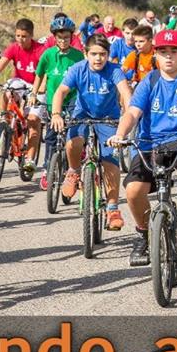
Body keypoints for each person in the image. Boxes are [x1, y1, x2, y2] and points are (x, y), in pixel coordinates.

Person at [107, 30, 177, 267]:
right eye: (163, 51)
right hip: (151, 144)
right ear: (155, 54)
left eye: (173, 51)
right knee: (133, 191)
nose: (168, 56)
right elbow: (133, 113)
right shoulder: (149, 81)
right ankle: (144, 233)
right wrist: (120, 134)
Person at [51, 34, 132, 228]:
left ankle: (112, 208)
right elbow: (61, 91)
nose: (98, 58)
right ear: (86, 54)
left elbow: (126, 93)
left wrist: (129, 115)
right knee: (73, 141)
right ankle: (73, 171)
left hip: (108, 119)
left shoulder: (114, 70)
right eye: (94, 54)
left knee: (110, 161)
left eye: (103, 54)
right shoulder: (78, 69)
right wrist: (56, 114)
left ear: (108, 55)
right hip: (82, 114)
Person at [0, 18, 47, 174]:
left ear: (31, 35)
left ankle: (30, 159)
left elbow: (46, 73)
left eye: (24, 36)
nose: (20, 39)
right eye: (18, 35)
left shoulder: (40, 50)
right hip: (19, 82)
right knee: (6, 91)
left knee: (33, 120)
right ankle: (5, 120)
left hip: (36, 85)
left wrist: (40, 90)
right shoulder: (13, 48)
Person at [31, 16, 83, 189]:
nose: (63, 41)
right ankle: (48, 169)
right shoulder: (48, 55)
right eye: (59, 37)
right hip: (53, 101)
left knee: (72, 135)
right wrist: (33, 93)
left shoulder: (78, 56)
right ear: (54, 37)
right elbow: (39, 75)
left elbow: (83, 78)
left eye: (66, 37)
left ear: (72, 37)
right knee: (51, 137)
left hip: (72, 100)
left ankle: (72, 168)